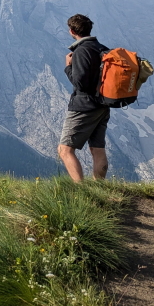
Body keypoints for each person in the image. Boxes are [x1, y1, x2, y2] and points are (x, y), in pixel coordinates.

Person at [58, 14, 111, 182]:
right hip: (102, 104)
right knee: (97, 149)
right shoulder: (100, 47)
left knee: (65, 150)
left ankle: (80, 189)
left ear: (72, 31)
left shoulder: (81, 50)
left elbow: (81, 84)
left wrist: (68, 67)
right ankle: (98, 187)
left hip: (84, 106)